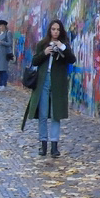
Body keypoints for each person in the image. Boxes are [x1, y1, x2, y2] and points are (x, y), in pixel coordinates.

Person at [21, 19, 75, 158]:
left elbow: (71, 59)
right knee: (43, 114)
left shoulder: (64, 45)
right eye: (53, 29)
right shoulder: (42, 44)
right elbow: (34, 61)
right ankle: (43, 143)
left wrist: (62, 48)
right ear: (49, 30)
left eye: (58, 29)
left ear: (61, 31)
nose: (55, 32)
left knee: (56, 114)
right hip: (43, 82)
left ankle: (54, 146)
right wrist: (45, 52)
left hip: (58, 83)